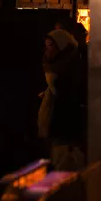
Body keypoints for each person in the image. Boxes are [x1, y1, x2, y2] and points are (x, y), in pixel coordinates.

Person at [38, 29, 86, 170]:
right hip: (58, 125)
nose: (48, 50)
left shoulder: (72, 67)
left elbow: (71, 95)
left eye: (51, 46)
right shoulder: (51, 67)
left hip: (68, 126)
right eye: (46, 46)